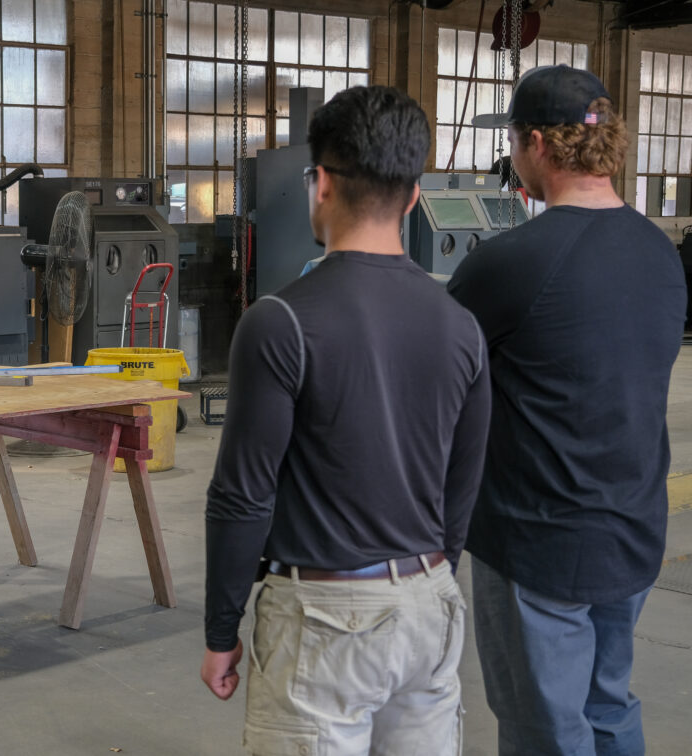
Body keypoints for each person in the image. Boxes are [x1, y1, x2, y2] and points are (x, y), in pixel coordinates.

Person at [200, 85, 492, 754]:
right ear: (415, 196)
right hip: (429, 607)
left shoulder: (279, 322)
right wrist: (424, 577)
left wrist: (222, 631)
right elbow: (461, 488)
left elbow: (243, 496)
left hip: (323, 619)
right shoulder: (461, 327)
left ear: (320, 182)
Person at [450, 65, 686, 755]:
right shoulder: (659, 253)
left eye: (515, 143)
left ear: (537, 146)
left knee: (542, 727)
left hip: (538, 541)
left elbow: (439, 374)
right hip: (633, 530)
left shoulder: (510, 262)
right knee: (607, 705)